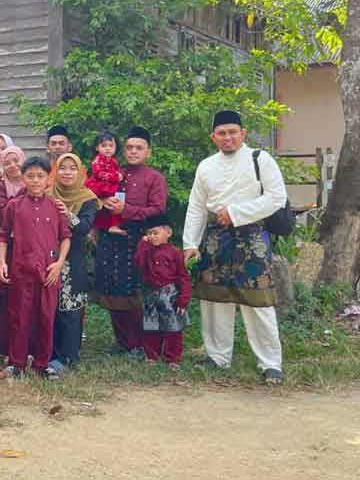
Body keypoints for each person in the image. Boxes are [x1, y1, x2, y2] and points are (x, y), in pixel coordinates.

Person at [183, 110, 287, 385]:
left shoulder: (260, 159)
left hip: (253, 237)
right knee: (214, 298)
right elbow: (196, 207)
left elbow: (277, 198)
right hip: (216, 238)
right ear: (213, 137)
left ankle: (270, 362)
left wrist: (236, 213)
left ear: (243, 133)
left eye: (232, 132)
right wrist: (190, 243)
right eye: (221, 133)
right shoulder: (205, 166)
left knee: (258, 300)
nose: (227, 137)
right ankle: (217, 356)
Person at [93, 126, 167, 359]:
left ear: (148, 152)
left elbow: (157, 210)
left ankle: (140, 344)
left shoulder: (154, 178)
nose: (133, 152)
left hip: (139, 239)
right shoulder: (114, 172)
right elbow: (94, 195)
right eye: (129, 147)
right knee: (112, 290)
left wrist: (127, 210)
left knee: (134, 293)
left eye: (139, 148)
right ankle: (122, 341)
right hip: (110, 237)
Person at [0, 156, 71, 379]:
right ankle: (17, 363)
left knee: (46, 317)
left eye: (40, 176)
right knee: (19, 316)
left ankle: (42, 363)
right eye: (30, 176)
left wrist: (59, 264)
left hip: (49, 271)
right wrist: (2, 262)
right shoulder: (14, 206)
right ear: (23, 178)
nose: (35, 180)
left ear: (48, 179)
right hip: (22, 269)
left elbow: (65, 237)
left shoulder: (56, 206)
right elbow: (3, 236)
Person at [48, 153, 100, 374]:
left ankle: (68, 357)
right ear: (56, 171)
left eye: (72, 168)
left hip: (74, 260)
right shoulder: (47, 193)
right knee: (49, 308)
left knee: (70, 309)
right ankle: (47, 353)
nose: (67, 172)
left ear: (79, 172)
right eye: (62, 168)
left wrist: (67, 213)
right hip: (48, 258)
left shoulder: (87, 198)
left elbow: (85, 227)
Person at [137, 214, 191, 370]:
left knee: (173, 328)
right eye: (149, 234)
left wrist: (183, 299)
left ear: (168, 232)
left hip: (170, 295)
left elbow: (183, 277)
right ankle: (152, 355)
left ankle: (172, 358)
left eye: (155, 232)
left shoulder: (175, 253)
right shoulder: (146, 251)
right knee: (151, 327)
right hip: (151, 294)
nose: (152, 236)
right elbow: (139, 263)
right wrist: (142, 245)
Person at [0, 145, 25, 356]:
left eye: (15, 160)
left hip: (29, 246)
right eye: (6, 162)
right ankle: (4, 343)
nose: (12, 165)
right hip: (7, 246)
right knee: (7, 295)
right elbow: (3, 212)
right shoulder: (1, 186)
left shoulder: (32, 182)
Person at [85, 130, 127, 236]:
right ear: (97, 147)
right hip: (99, 186)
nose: (108, 148)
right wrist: (116, 176)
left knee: (115, 204)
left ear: (116, 147)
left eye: (111, 145)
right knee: (98, 206)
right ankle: (94, 227)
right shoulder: (97, 160)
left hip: (109, 186)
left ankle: (113, 225)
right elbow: (99, 173)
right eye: (104, 145)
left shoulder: (113, 160)